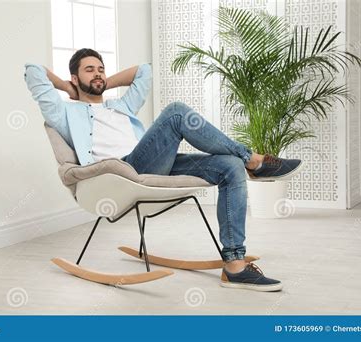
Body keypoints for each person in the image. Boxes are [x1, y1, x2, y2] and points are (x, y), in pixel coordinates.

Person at [24, 48, 303, 292]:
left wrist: (104, 83)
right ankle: (253, 160)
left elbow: (143, 72)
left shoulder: (120, 106)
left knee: (229, 166)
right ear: (75, 77)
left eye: (101, 69)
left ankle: (234, 265)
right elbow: (33, 72)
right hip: (123, 173)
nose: (97, 74)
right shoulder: (65, 113)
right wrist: (69, 89)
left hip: (153, 167)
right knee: (177, 112)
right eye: (89, 70)